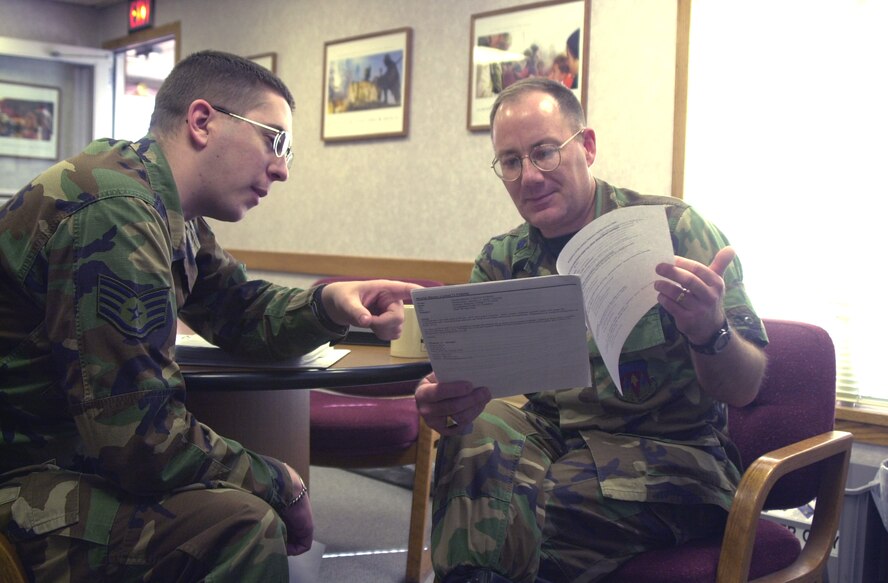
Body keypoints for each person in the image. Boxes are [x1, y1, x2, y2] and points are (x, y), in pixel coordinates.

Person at [0, 50, 417, 582]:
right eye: (275, 140)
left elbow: (241, 311)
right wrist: (279, 481)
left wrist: (328, 303)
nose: (282, 169)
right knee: (240, 524)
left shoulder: (163, 207)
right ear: (202, 121)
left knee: (231, 498)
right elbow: (141, 438)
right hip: (22, 474)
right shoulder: (115, 209)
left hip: (64, 455)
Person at [414, 77, 768, 583]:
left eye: (545, 152)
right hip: (553, 439)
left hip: (676, 457)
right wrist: (448, 408)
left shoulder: (674, 229)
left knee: (507, 511)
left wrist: (709, 331)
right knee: (478, 439)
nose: (530, 176)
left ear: (587, 146)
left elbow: (747, 385)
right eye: (511, 162)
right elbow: (475, 397)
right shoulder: (501, 260)